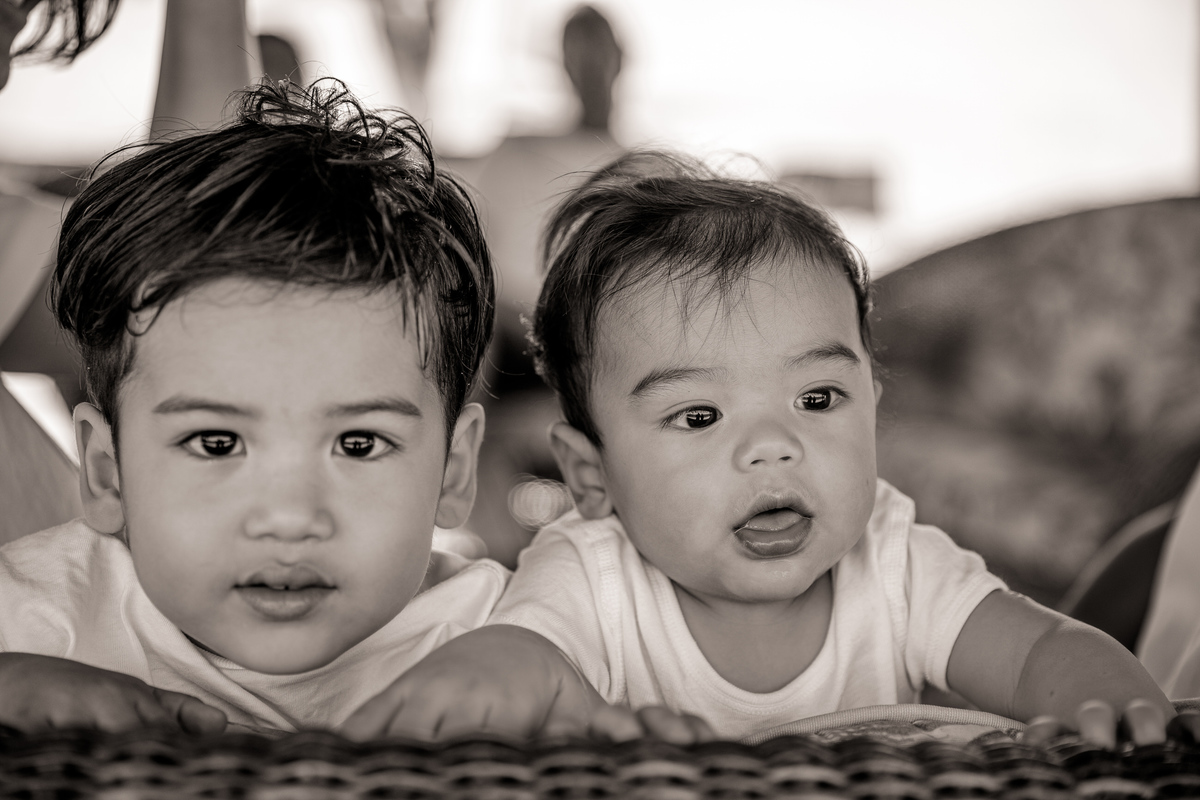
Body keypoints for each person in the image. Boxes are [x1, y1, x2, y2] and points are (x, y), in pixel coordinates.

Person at [348, 150, 1186, 746]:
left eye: (817, 400)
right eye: (699, 417)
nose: (774, 448)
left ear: (871, 408)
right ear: (591, 475)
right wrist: (481, 670)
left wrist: (1109, 699)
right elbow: (527, 655)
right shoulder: (593, 576)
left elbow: (1039, 650)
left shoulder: (892, 560)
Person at [0, 78, 511, 736]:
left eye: (358, 444)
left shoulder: (513, 637)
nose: (289, 519)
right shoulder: (33, 619)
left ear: (454, 469)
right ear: (107, 472)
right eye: (217, 443)